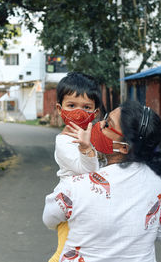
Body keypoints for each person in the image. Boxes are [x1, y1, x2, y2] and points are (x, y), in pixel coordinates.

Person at [43, 100, 161, 262]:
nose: (98, 125)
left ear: (124, 147)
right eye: (105, 118)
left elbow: (49, 219)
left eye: (107, 125)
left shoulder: (77, 184)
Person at [49, 72, 103, 262]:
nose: (79, 112)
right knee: (65, 254)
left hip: (89, 205)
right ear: (59, 108)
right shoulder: (63, 141)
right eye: (71, 105)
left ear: (95, 113)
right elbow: (87, 171)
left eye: (86, 107)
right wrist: (86, 148)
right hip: (70, 208)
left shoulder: (95, 136)